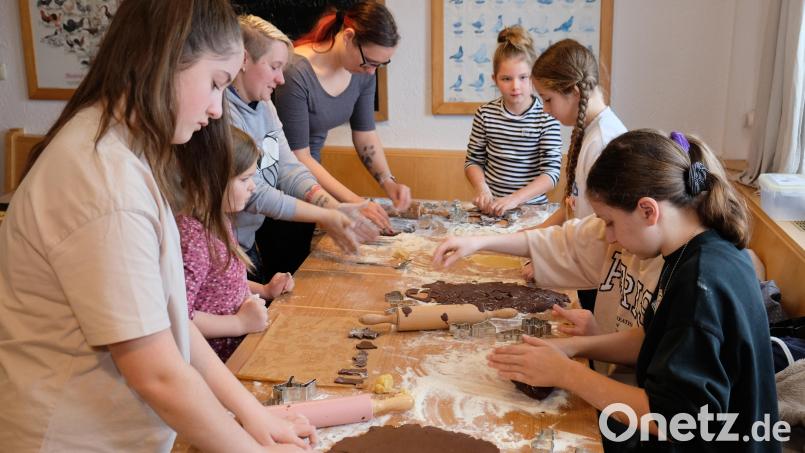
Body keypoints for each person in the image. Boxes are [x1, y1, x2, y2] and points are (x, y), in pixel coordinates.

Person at [0, 1, 315, 451]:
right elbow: (159, 374)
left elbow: (169, 328)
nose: (215, 110)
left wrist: (250, 413)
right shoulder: (104, 181)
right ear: (166, 58)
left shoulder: (129, 154)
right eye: (214, 85)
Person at [487, 130, 779, 451]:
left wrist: (566, 374)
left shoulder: (700, 283)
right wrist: (573, 347)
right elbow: (652, 338)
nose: (609, 237)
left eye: (609, 222)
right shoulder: (689, 250)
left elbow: (673, 420)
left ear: (647, 210)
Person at [228, 15, 377, 282]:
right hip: (220, 250)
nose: (281, 79)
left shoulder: (264, 107)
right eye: (274, 67)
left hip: (245, 244)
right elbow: (255, 194)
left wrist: (335, 208)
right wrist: (325, 215)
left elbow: (284, 168)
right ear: (244, 60)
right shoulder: (222, 115)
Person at [271, 1, 412, 274]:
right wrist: (354, 203)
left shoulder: (362, 73)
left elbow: (365, 132)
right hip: (278, 185)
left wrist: (387, 180)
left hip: (313, 183)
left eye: (381, 65)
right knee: (285, 267)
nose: (372, 70)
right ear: (348, 37)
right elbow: (298, 156)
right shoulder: (295, 73)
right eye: (370, 61)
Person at [526, 38, 627, 311]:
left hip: (599, 278)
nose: (546, 110)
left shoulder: (604, 141)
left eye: (548, 99)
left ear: (574, 92)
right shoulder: (591, 133)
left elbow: (600, 234)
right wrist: (533, 237)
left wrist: (549, 262)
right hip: (588, 272)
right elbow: (576, 209)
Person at [180, 127, 295, 362]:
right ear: (212, 180)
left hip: (238, 350)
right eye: (244, 179)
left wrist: (263, 290)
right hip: (213, 366)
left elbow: (220, 285)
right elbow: (181, 317)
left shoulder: (220, 219)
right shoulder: (192, 238)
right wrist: (239, 323)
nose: (252, 186)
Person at [464, 26, 562, 216]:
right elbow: (473, 161)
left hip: (533, 211)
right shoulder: (485, 114)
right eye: (506, 78)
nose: (515, 86)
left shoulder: (547, 116)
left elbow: (551, 174)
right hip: (492, 210)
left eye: (523, 77)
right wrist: (482, 189)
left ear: (534, 77)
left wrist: (514, 199)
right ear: (495, 79)